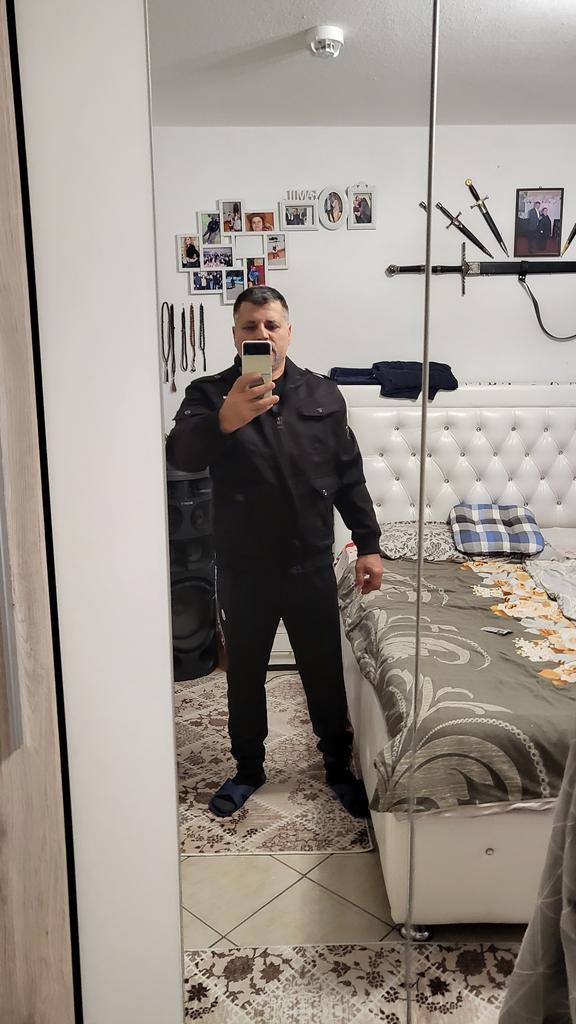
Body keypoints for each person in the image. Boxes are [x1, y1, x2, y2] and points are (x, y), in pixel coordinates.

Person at [166, 286, 382, 820]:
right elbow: (181, 453)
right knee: (244, 675)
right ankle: (248, 769)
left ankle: (337, 766)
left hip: (310, 563)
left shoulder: (323, 393)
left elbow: (348, 474)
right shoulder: (209, 393)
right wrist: (225, 418)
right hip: (244, 568)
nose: (260, 334)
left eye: (270, 325)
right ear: (234, 335)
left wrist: (368, 544)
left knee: (323, 673)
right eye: (249, 326)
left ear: (288, 331)